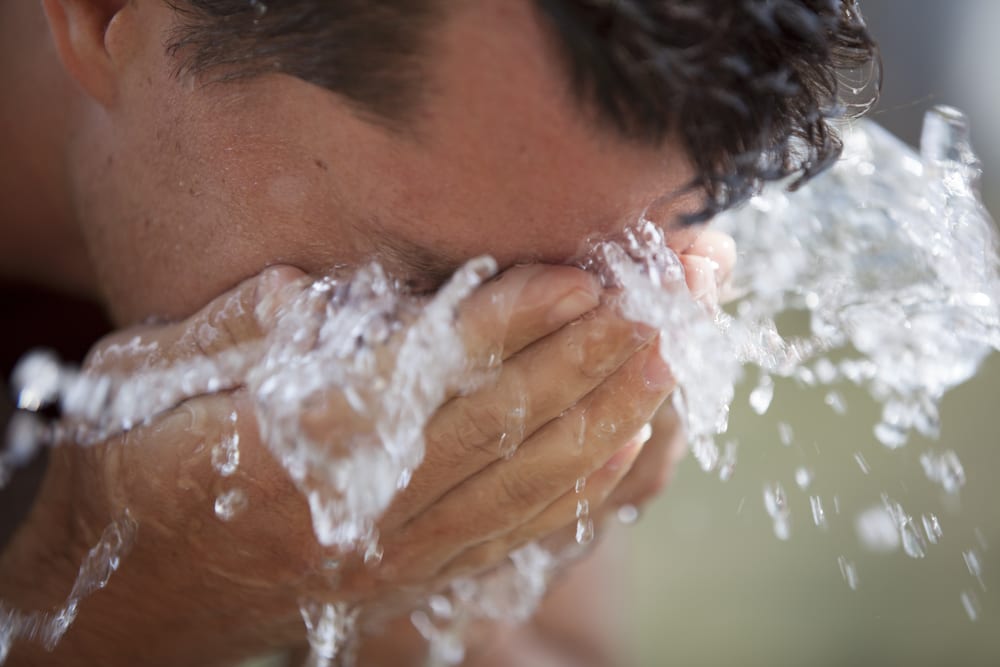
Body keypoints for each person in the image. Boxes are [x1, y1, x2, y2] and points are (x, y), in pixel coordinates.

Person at [0, 1, 878, 665]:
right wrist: (117, 597)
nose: (500, 356)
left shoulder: (551, 167)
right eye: (429, 287)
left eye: (629, 276)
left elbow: (563, 648)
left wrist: (439, 572)